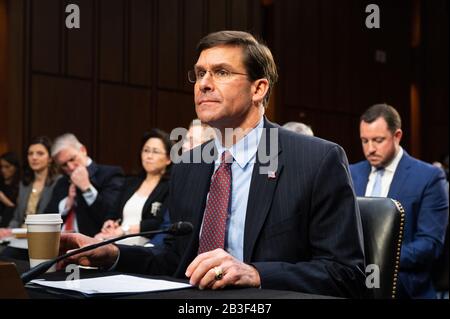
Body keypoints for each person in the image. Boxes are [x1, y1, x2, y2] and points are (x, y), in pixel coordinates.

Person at [59, 31, 366, 298]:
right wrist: (113, 254)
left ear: (258, 89)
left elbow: (346, 275)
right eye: (199, 73)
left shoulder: (316, 160)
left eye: (221, 72)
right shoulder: (189, 165)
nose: (203, 84)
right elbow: (175, 261)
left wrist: (256, 274)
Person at [349, 103, 449, 299]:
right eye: (364, 141)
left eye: (378, 140)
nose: (370, 149)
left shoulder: (428, 177)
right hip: (355, 285)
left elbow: (431, 244)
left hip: (406, 286)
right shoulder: (351, 173)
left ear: (397, 136)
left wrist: (379, 260)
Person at [95, 129, 173, 246]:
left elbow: (159, 223)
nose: (149, 156)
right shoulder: (130, 182)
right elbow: (114, 211)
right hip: (118, 242)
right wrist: (110, 222)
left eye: (155, 152)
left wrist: (125, 229)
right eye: (146, 150)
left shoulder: (169, 186)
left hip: (147, 246)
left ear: (168, 159)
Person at [45, 133, 124, 237]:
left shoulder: (110, 174)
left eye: (72, 159)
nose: (71, 167)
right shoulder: (62, 182)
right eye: (64, 165)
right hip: (58, 242)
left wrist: (87, 188)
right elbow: (47, 219)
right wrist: (67, 204)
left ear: (83, 150)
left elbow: (109, 217)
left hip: (91, 243)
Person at [0, 137, 60, 237]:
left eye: (40, 153)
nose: (34, 157)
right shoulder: (24, 184)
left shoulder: (58, 182)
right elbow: (17, 218)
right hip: (19, 235)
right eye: (30, 153)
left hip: (43, 236)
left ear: (50, 158)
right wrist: (7, 231)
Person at [0, 152, 20, 227]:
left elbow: (18, 212)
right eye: (1, 167)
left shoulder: (21, 186)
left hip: (10, 225)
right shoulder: (1, 183)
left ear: (15, 167)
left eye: (7, 167)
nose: (3, 170)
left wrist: (3, 198)